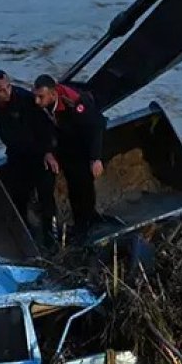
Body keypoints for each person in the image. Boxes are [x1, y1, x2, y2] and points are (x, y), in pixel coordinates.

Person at [0, 69, 58, 247]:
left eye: (8, 87)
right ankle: (25, 233)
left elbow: (45, 127)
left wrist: (48, 152)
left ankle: (50, 237)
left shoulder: (25, 99)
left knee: (46, 194)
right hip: (15, 152)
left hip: (37, 152)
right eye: (1, 90)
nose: (7, 92)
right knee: (18, 194)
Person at [31, 74, 107, 242]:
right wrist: (48, 151)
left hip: (83, 140)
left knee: (83, 183)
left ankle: (87, 222)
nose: (36, 101)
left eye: (40, 97)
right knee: (73, 182)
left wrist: (95, 158)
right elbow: (40, 129)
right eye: (35, 96)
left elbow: (95, 128)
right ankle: (80, 222)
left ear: (52, 94)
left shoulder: (74, 103)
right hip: (64, 140)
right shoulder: (41, 106)